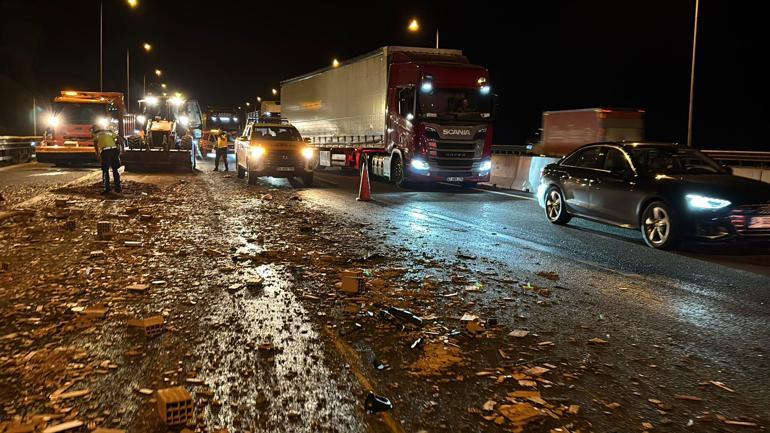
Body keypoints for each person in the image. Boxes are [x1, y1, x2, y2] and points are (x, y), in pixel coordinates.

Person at [93, 124, 121, 194]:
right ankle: (118, 188)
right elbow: (119, 139)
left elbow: (95, 144)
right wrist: (122, 148)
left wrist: (97, 154)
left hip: (105, 152)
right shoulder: (110, 132)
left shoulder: (96, 134)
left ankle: (107, 189)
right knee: (115, 169)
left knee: (105, 170)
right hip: (113, 151)